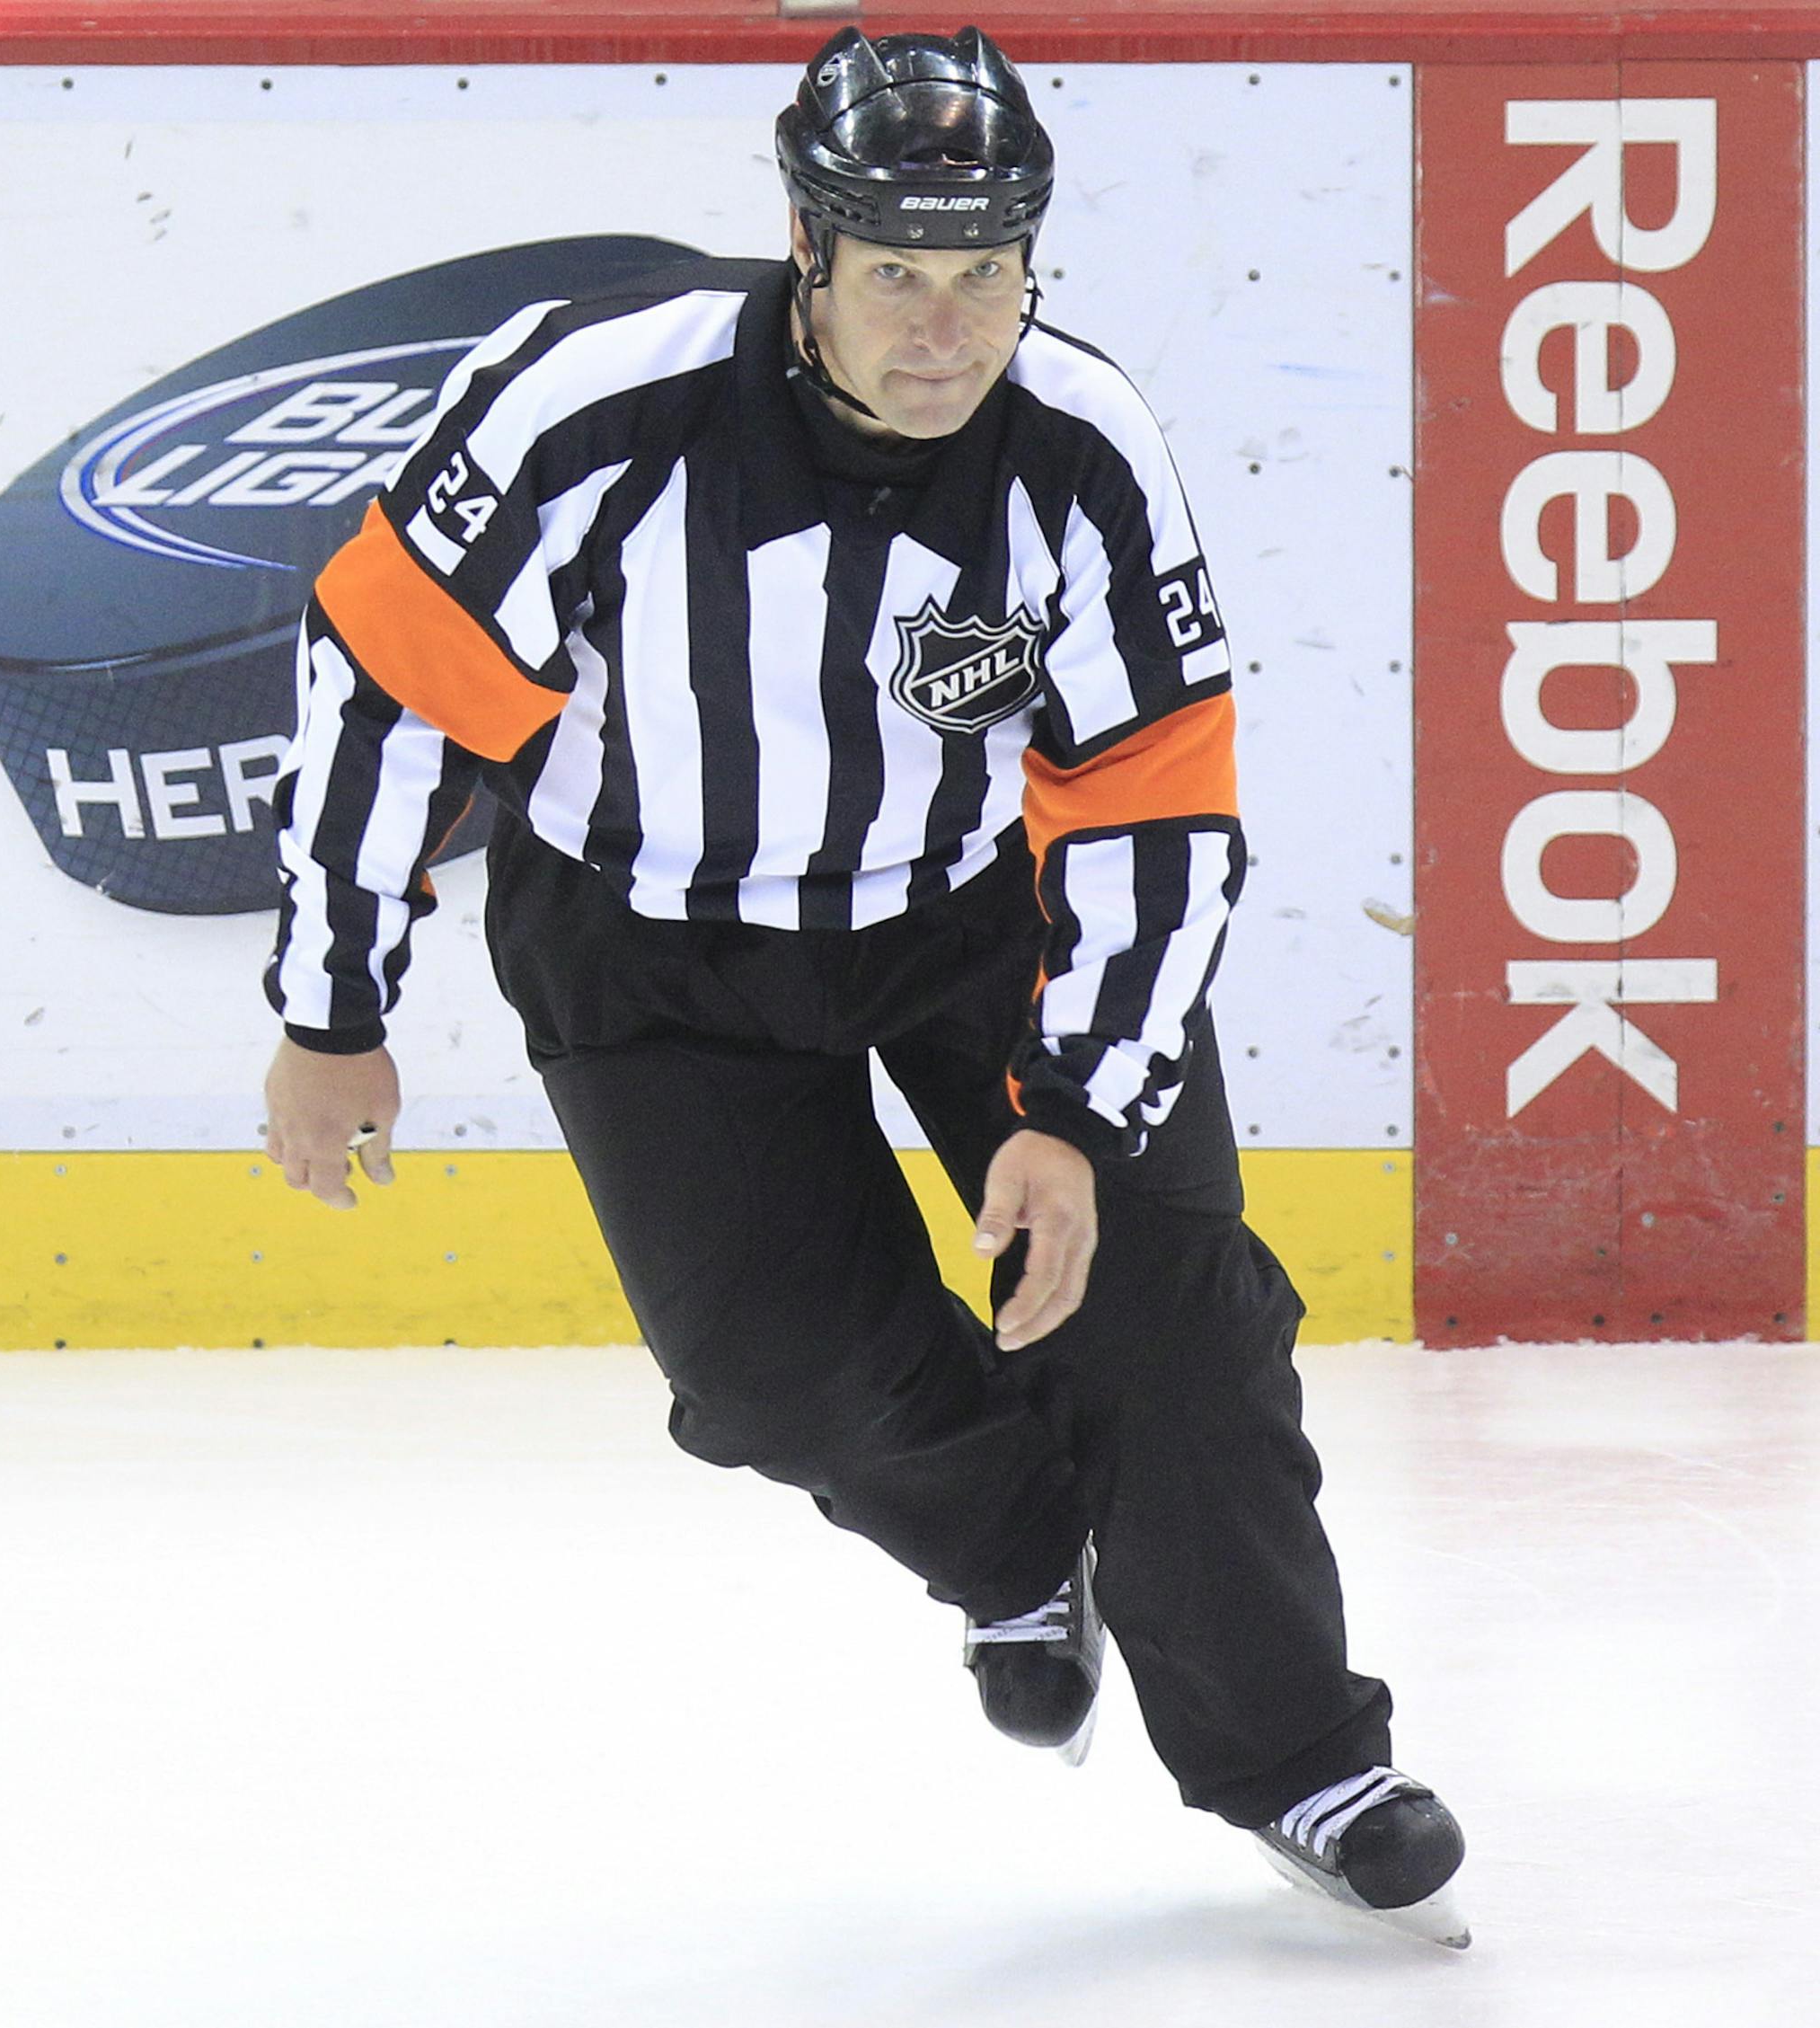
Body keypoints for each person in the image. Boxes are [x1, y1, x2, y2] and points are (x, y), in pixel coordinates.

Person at [260, 24, 1467, 1948]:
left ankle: (1301, 1755)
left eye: (988, 271)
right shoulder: (589, 408)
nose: (946, 327)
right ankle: (1012, 1545)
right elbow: (390, 694)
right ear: (805, 250)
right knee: (766, 1376)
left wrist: (1074, 1115)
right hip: (649, 939)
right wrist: (336, 1004)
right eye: (899, 270)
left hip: (976, 924)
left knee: (1162, 1302)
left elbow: (1154, 802)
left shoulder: (1081, 450)